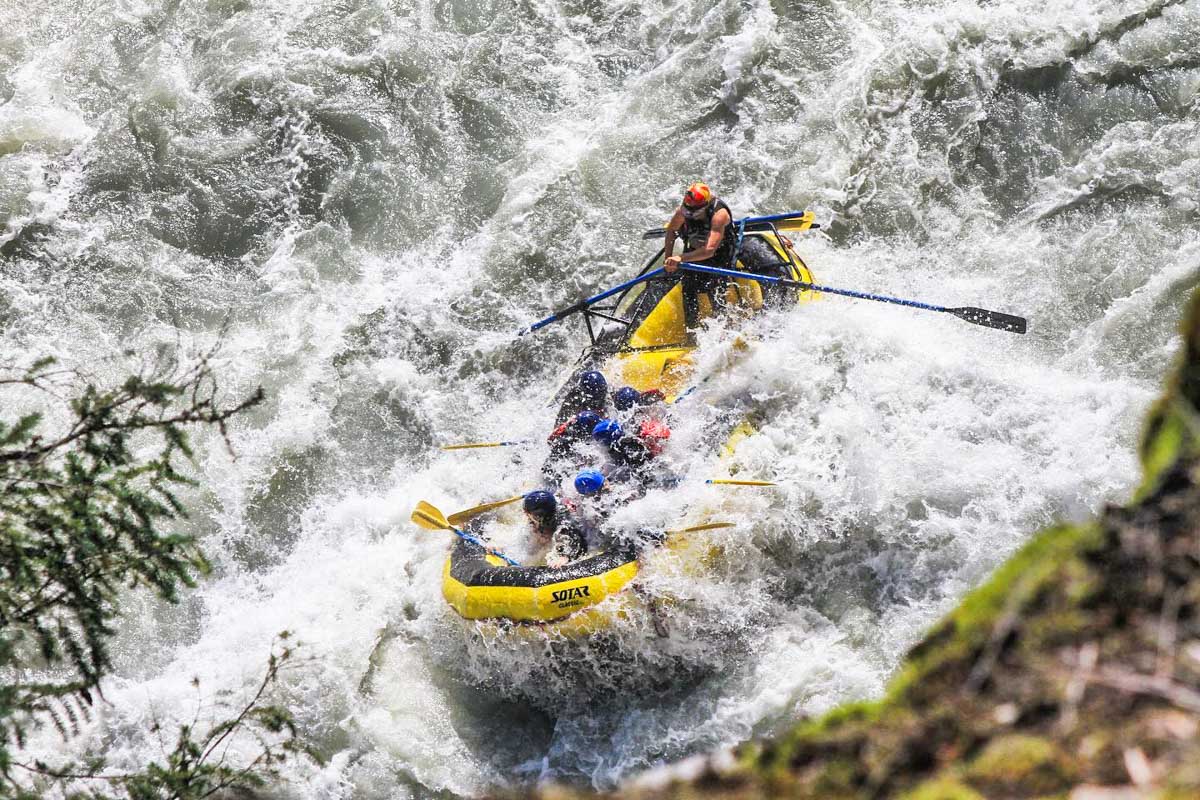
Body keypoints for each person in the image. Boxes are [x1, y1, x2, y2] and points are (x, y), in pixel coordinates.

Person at [522, 490, 587, 568]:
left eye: (527, 512)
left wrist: (565, 556)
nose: (524, 514)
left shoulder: (563, 523)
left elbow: (575, 539)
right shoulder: (538, 518)